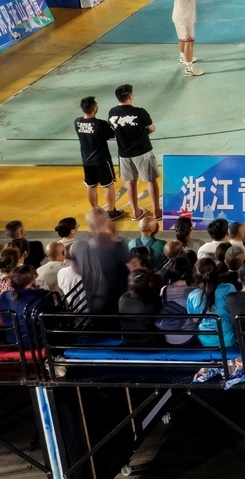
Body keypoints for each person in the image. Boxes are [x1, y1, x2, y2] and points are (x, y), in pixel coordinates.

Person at [108, 85, 160, 221]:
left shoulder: (112, 112)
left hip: (124, 153)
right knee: (151, 180)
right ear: (131, 96)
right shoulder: (140, 112)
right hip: (143, 151)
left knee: (130, 182)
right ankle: (156, 211)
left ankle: (136, 212)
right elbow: (151, 128)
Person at [72, 208, 130, 316]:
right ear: (106, 221)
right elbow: (132, 267)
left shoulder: (81, 244)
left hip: (93, 301)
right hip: (116, 301)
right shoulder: (117, 245)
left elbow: (76, 268)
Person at [74, 96, 122, 219]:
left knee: (91, 185)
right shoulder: (100, 124)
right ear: (95, 108)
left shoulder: (77, 122)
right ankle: (111, 211)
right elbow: (112, 134)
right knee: (108, 185)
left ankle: (95, 210)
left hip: (86, 160)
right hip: (101, 160)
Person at [169, 0, 204, 77]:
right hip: (185, 19)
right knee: (189, 42)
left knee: (183, 39)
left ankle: (183, 57)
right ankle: (189, 68)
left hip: (180, 17)